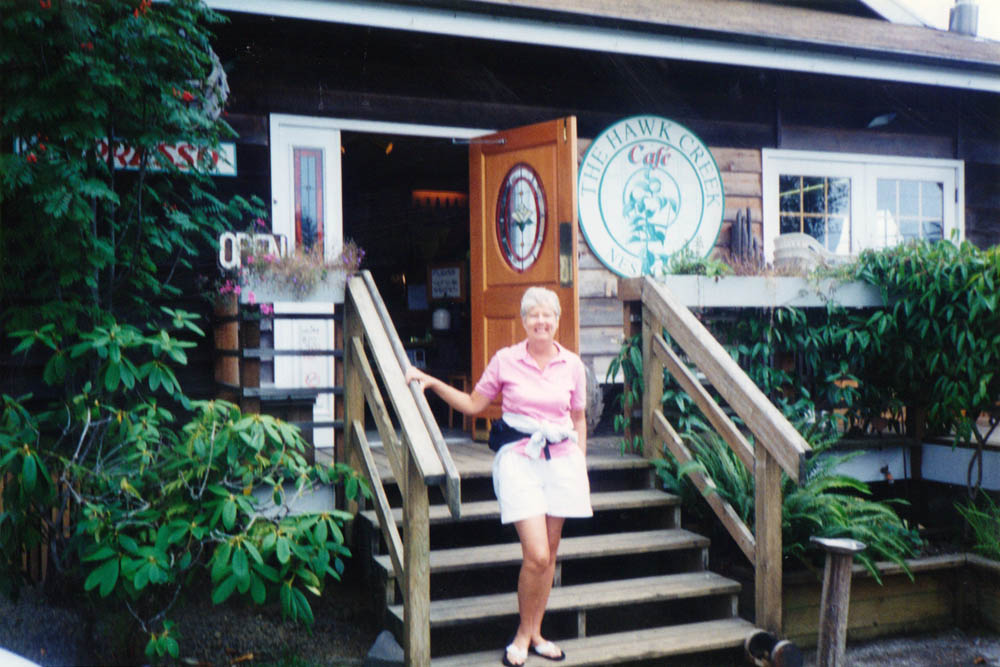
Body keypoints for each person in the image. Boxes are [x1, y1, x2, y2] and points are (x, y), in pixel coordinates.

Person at [405, 286, 592, 666]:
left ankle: (537, 632)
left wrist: (580, 463)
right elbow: (475, 404)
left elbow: (578, 418)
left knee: (550, 554)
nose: (541, 322)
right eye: (533, 315)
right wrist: (434, 384)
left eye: (548, 315)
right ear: (523, 321)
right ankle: (523, 635)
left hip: (561, 462)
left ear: (558, 321)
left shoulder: (572, 364)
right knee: (536, 554)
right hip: (519, 459)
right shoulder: (506, 360)